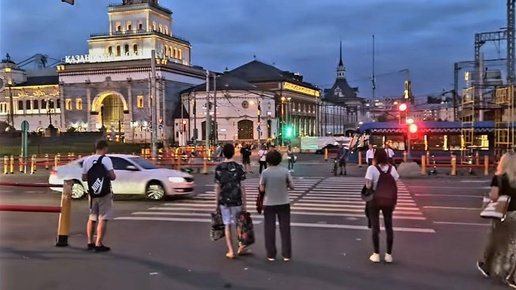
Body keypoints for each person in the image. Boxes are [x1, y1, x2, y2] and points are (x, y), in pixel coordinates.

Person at [477, 152, 516, 288]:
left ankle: (488, 266)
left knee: (496, 242)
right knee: (513, 246)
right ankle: (511, 275)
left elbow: (494, 196)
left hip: (503, 215)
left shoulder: (498, 178)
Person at [364, 148, 399, 263]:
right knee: (389, 226)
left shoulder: (372, 168)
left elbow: (368, 186)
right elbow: (395, 182)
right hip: (388, 201)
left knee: (375, 227)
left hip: (375, 200)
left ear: (375, 157)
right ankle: (389, 255)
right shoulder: (392, 168)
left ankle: (376, 254)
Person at [259, 150, 295, 262]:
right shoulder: (285, 171)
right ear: (279, 159)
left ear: (268, 160)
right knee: (285, 229)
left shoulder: (265, 172)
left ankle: (271, 254)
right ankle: (286, 254)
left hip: (269, 203)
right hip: (284, 202)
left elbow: (261, 188)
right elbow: (292, 186)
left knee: (269, 229)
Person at [81, 140, 116, 252]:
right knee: (103, 217)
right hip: (104, 192)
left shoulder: (87, 160)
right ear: (105, 148)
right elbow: (113, 176)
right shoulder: (106, 160)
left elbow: (84, 178)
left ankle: (90, 242)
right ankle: (98, 243)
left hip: (92, 192)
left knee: (92, 218)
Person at [214, 143, 248, 259]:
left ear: (223, 153)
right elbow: (243, 187)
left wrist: (216, 204)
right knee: (239, 225)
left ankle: (231, 250)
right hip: (237, 199)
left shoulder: (219, 168)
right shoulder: (239, 167)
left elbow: (217, 187)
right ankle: (241, 247)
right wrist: (245, 203)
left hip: (224, 200)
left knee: (227, 224)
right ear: (233, 152)